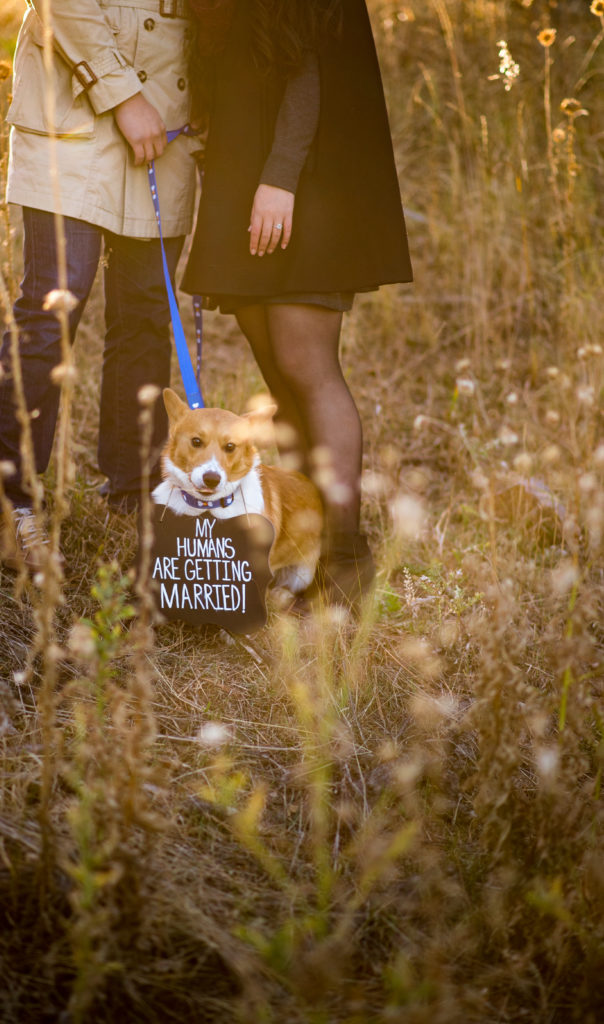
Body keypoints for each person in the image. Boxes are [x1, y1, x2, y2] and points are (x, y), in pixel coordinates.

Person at [182, 0, 412, 607]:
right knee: (281, 375)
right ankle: (311, 550)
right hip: (243, 176)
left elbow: (307, 67)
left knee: (307, 367)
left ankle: (348, 560)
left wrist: (281, 179)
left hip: (299, 183)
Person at [0, 0, 197, 571]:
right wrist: (121, 93)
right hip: (71, 116)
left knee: (147, 314)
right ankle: (11, 502)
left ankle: (134, 491)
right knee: (55, 303)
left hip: (168, 125)